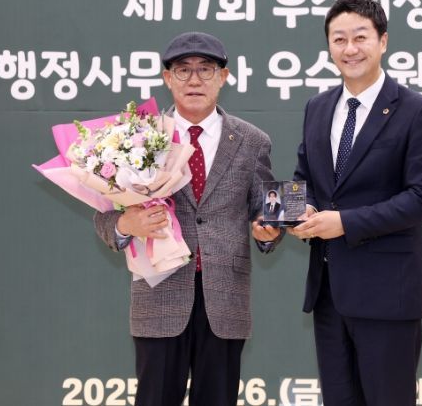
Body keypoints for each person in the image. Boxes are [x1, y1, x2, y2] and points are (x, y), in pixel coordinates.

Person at [93, 31, 282, 406]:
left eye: (205, 69)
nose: (194, 79)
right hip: (159, 292)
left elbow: (265, 207)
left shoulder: (252, 141)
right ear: (167, 78)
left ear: (223, 77)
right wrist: (126, 225)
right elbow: (105, 216)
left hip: (224, 298)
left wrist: (269, 231)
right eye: (183, 70)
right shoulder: (136, 137)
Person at [289, 0, 422, 406]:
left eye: (360, 37)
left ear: (383, 41)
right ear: (329, 46)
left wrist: (344, 222)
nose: (350, 49)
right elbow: (305, 178)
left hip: (387, 296)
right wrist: (294, 212)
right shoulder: (317, 107)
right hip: (328, 294)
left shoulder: (418, 111)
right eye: (339, 39)